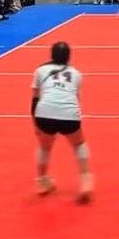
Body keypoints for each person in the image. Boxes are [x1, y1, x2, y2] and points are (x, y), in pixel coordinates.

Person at [32, 41, 94, 201]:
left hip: (44, 113)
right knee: (79, 144)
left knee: (44, 148)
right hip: (69, 113)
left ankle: (42, 181)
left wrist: (35, 123)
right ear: (68, 57)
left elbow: (35, 99)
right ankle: (86, 181)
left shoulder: (40, 70)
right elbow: (75, 97)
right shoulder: (76, 74)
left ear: (51, 55)